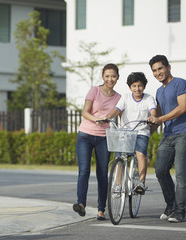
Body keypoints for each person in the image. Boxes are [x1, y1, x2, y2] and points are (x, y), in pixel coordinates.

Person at [147, 55, 186, 223]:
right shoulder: (159, 91)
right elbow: (158, 115)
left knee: (182, 173)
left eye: (160, 68)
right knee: (160, 170)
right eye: (154, 70)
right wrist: (146, 134)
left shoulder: (180, 83)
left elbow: (183, 107)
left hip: (184, 133)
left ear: (168, 67)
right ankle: (171, 205)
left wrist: (160, 120)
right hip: (168, 134)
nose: (158, 73)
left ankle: (180, 210)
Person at [73, 63, 121, 221]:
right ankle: (81, 204)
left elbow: (121, 116)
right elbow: (85, 112)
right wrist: (97, 119)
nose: (110, 79)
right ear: (102, 76)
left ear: (117, 77)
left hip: (104, 138)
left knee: (102, 174)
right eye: (107, 76)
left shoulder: (118, 97)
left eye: (113, 76)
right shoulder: (94, 90)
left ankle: (101, 210)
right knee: (84, 170)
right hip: (85, 135)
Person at [106, 72, 157, 195]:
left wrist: (153, 117)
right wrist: (108, 116)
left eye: (139, 85)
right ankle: (118, 185)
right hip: (125, 133)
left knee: (140, 154)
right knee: (119, 157)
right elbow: (117, 110)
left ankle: (141, 183)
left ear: (144, 86)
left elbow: (153, 110)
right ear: (130, 87)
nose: (137, 88)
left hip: (141, 132)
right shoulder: (125, 97)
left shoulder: (149, 98)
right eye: (134, 86)